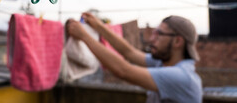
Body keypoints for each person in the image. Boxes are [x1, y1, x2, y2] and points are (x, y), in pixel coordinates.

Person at [67, 12, 202, 103]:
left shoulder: (182, 76)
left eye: (159, 34)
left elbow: (123, 71)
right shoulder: (162, 63)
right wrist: (99, 26)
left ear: (177, 42)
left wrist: (84, 36)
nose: (151, 39)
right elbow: (129, 53)